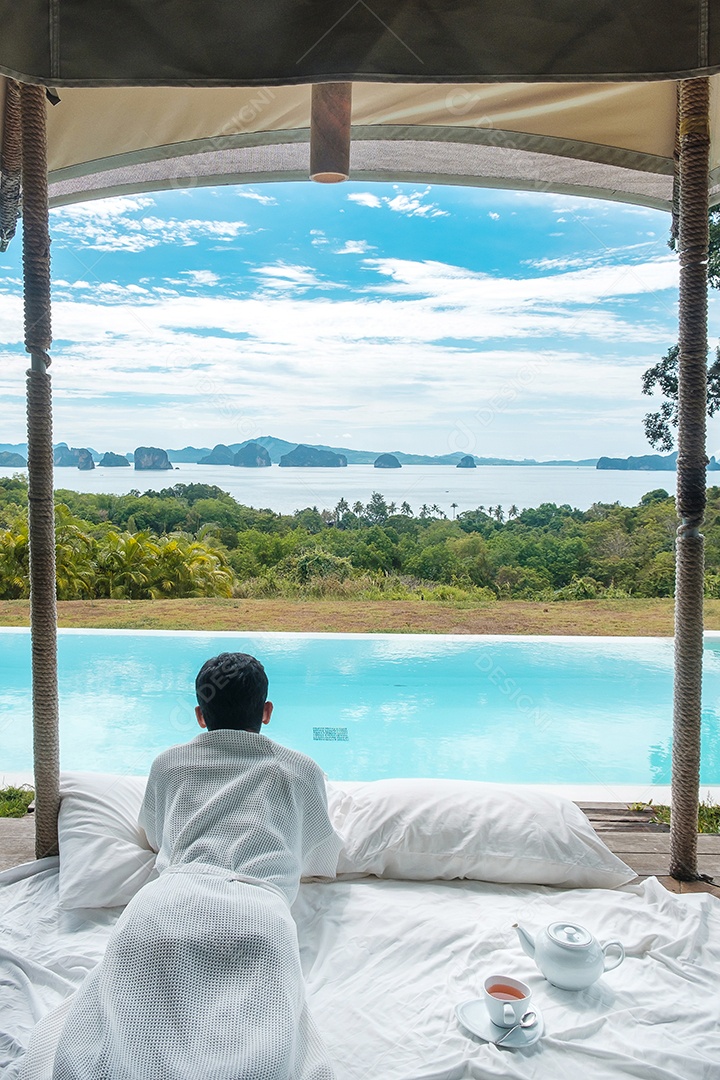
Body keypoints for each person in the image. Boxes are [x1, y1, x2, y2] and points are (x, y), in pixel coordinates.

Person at [52, 652, 342, 1080]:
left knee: (118, 1041)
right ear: (266, 712)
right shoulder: (301, 770)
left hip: (160, 909)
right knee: (258, 1054)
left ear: (200, 715)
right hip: (256, 916)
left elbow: (154, 836)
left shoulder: (168, 763)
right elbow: (320, 858)